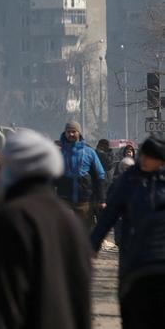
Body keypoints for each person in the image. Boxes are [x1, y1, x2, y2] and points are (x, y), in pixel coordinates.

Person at [0, 128, 91, 329]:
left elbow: (3, 297)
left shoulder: (10, 218)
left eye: (4, 166)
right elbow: (82, 296)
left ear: (15, 168)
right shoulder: (69, 220)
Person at [90, 136, 165, 329]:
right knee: (134, 313)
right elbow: (109, 214)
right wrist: (94, 243)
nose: (144, 160)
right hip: (136, 259)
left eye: (150, 157)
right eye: (143, 155)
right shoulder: (130, 180)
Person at [55, 121, 106, 230]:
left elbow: (100, 175)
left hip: (84, 200)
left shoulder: (89, 152)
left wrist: (102, 199)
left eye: (74, 131)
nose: (71, 134)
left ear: (79, 133)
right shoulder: (58, 153)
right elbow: (51, 175)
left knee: (87, 232)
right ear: (65, 133)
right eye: (68, 132)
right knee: (63, 231)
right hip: (64, 199)